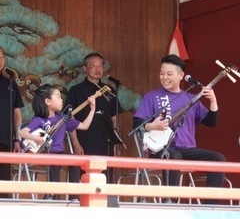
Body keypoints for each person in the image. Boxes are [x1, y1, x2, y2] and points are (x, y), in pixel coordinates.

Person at [133, 54, 226, 204]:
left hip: (187, 149)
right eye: (162, 73)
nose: (164, 77)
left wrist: (213, 100)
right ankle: (170, 202)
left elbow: (211, 122)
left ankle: (211, 207)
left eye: (169, 74)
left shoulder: (190, 98)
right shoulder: (152, 97)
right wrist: (152, 126)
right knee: (174, 155)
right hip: (161, 150)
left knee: (218, 158)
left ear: (181, 75)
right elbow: (136, 125)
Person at [19, 84, 96, 199]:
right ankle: (54, 196)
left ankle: (74, 197)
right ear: (48, 101)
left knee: (74, 161)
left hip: (58, 152)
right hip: (45, 154)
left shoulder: (62, 119)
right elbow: (22, 132)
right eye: (58, 97)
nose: (61, 100)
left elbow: (84, 126)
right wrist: (36, 138)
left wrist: (92, 109)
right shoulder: (39, 120)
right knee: (54, 161)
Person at [65, 52, 123, 196]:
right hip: (84, 139)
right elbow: (69, 120)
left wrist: (116, 142)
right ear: (85, 68)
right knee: (83, 175)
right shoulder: (76, 90)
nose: (97, 69)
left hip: (106, 140)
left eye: (100, 66)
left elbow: (114, 119)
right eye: (93, 66)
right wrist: (75, 144)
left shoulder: (110, 91)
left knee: (105, 176)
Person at [0, 47, 24, 198]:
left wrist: (17, 139)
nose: (0, 60)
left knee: (3, 182)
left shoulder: (10, 83)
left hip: (5, 140)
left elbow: (17, 115)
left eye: (2, 56)